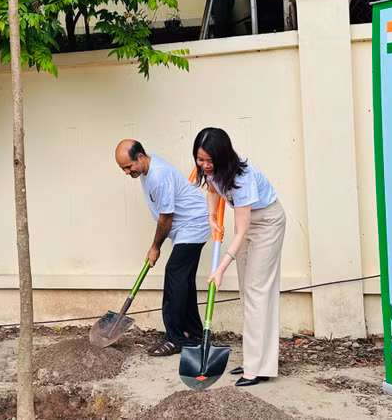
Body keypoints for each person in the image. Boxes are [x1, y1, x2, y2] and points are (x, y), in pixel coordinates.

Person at [192, 127, 286, 387]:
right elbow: (212, 192)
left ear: (223, 156)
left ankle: (255, 369)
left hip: (267, 222)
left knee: (257, 291)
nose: (205, 165)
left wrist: (220, 268)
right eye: (200, 159)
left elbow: (241, 231)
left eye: (210, 160)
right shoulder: (212, 172)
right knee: (249, 292)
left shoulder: (241, 178)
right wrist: (211, 218)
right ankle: (257, 362)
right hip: (247, 224)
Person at [115, 139, 210, 356]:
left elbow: (166, 217)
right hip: (187, 226)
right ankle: (192, 333)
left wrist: (155, 247)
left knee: (174, 276)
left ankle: (174, 338)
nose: (127, 172)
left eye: (128, 167)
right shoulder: (147, 170)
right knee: (183, 281)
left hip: (193, 225)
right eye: (123, 169)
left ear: (140, 156)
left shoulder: (158, 175)